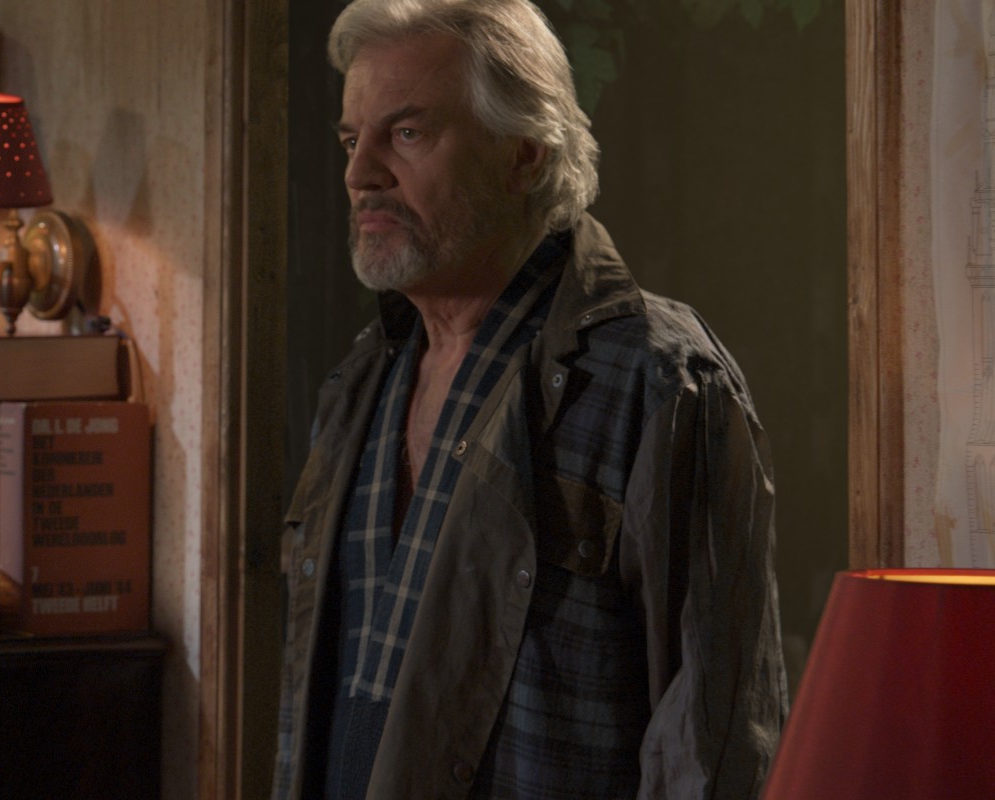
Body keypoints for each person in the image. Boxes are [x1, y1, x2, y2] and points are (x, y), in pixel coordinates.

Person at [273, 1, 787, 797]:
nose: (359, 173)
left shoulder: (657, 380)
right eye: (351, 140)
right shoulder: (359, 385)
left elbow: (711, 752)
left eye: (406, 133)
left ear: (524, 155)